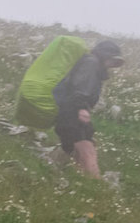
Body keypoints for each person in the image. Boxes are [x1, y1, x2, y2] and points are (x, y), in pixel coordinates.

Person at [50, 40, 125, 177]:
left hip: (70, 110)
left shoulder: (93, 64)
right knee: (86, 147)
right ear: (104, 55)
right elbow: (80, 86)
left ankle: (79, 180)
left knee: (78, 146)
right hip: (72, 110)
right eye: (112, 60)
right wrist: (81, 108)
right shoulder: (91, 63)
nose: (112, 64)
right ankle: (95, 183)